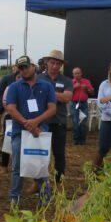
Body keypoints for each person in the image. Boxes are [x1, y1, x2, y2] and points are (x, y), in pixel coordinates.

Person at [4, 56, 58, 205]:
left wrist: (36, 122)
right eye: (20, 68)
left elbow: (52, 108)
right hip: (19, 133)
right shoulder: (14, 87)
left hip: (40, 132)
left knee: (40, 165)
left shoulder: (46, 86)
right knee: (17, 166)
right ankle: (15, 198)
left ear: (34, 67)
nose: (24, 70)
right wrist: (28, 124)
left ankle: (44, 198)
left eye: (26, 67)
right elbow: (11, 108)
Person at [39, 50, 73, 185]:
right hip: (42, 121)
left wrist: (47, 92)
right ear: (47, 63)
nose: (54, 66)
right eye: (52, 63)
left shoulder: (66, 80)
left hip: (59, 122)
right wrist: (58, 94)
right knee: (41, 154)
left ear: (61, 65)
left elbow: (67, 98)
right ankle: (39, 183)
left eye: (58, 64)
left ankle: (59, 183)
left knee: (59, 155)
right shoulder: (38, 78)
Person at [70, 66, 94, 145]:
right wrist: (74, 87)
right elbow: (67, 94)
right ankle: (75, 139)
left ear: (81, 73)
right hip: (74, 104)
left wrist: (87, 88)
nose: (77, 75)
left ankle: (82, 140)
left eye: (78, 73)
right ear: (73, 74)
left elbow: (92, 93)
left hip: (84, 104)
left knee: (83, 122)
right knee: (75, 122)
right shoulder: (71, 82)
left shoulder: (86, 81)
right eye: (75, 73)